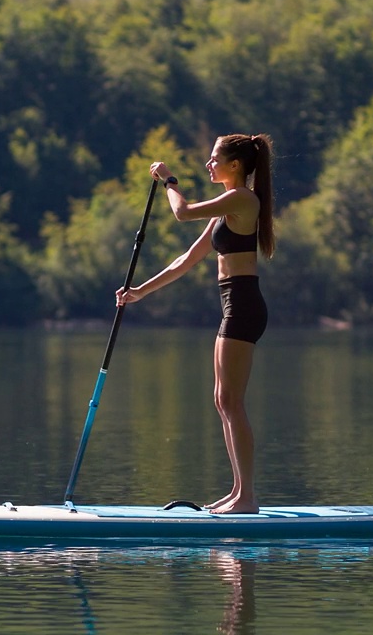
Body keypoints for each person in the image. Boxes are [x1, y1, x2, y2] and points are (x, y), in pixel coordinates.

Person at [116, 133, 275, 514]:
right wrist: (140, 291)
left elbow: (182, 212)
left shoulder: (242, 199)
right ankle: (238, 492)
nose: (209, 165)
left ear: (235, 165)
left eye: (214, 159)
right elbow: (186, 259)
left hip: (244, 304)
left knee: (232, 401)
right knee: (223, 400)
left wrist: (169, 181)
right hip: (233, 305)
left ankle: (248, 498)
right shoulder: (226, 208)